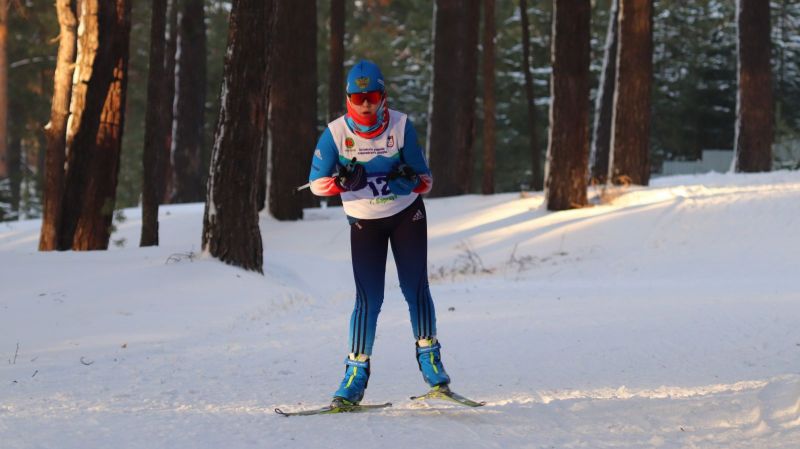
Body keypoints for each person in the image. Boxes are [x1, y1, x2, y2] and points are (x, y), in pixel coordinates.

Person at [308, 60, 450, 406]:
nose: (366, 105)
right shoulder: (336, 133)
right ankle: (354, 376)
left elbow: (426, 180)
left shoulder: (401, 125)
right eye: (358, 99)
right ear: (348, 99)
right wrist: (342, 182)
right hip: (365, 222)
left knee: (415, 288)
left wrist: (408, 180)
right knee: (369, 299)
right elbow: (315, 185)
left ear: (383, 96)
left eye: (372, 97)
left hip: (406, 216)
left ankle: (431, 363)